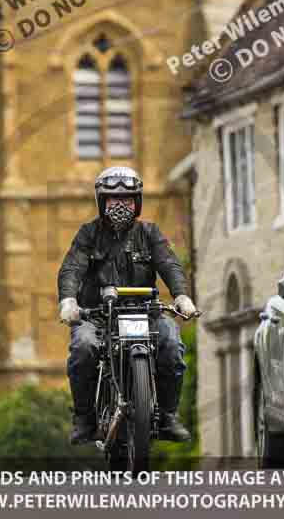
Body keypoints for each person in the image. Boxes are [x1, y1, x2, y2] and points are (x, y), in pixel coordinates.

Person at [58, 166, 198, 445]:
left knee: (171, 343)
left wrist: (182, 296)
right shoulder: (88, 234)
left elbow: (169, 264)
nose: (120, 205)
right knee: (83, 347)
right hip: (97, 316)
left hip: (146, 313)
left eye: (127, 199)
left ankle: (168, 416)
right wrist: (69, 301)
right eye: (112, 199)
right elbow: (72, 267)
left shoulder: (150, 233)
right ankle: (84, 419)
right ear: (101, 202)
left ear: (138, 202)